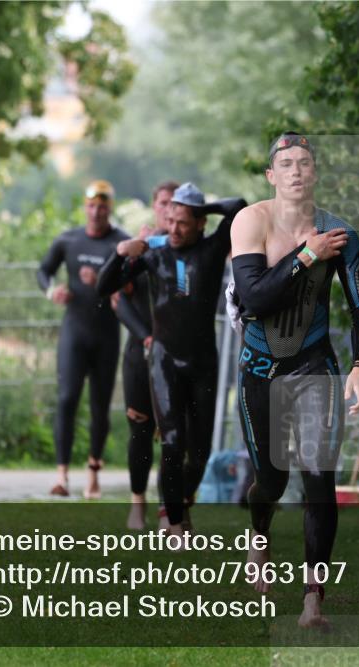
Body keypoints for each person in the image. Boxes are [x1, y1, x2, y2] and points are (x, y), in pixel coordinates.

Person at [229, 132, 359, 628]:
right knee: (271, 479)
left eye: (304, 163)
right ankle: (259, 539)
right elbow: (253, 299)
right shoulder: (252, 221)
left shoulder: (341, 234)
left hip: (315, 367)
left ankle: (314, 596)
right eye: (285, 163)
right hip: (260, 370)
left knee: (319, 480)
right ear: (272, 175)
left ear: (315, 174)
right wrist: (306, 256)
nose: (295, 170)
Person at [98, 182, 247, 539]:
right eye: (171, 219)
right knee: (172, 440)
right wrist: (120, 253)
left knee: (199, 452)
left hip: (202, 362)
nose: (174, 228)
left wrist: (200, 207)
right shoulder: (154, 255)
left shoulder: (214, 248)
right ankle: (173, 521)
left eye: (183, 221)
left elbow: (239, 206)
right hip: (164, 360)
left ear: (199, 224)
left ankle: (180, 503)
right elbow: (104, 288)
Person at [36, 180, 129, 498]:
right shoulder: (68, 240)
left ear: (110, 209)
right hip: (75, 331)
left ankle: (93, 473)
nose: (97, 212)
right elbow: (43, 270)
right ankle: (61, 476)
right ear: (85, 208)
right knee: (66, 399)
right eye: (91, 205)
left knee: (100, 407)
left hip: (106, 334)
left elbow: (133, 282)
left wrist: (106, 281)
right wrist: (52, 291)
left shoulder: (121, 242)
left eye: (103, 206)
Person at [111, 180, 179, 529]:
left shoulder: (188, 249)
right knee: (140, 429)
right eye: (163, 202)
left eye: (175, 203)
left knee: (176, 435)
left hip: (179, 355)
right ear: (155, 207)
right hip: (140, 351)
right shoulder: (143, 247)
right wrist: (147, 337)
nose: (169, 209)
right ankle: (137, 504)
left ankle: (174, 511)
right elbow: (118, 299)